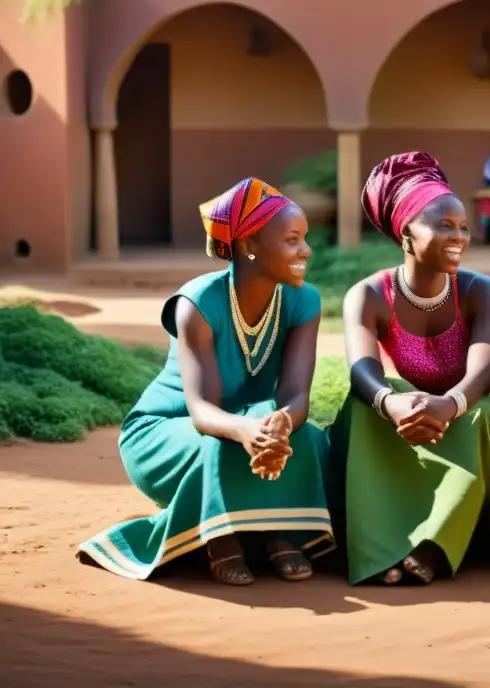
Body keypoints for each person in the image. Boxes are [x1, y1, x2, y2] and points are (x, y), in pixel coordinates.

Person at [78, 178, 334, 585]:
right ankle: (224, 539)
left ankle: (278, 534)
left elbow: (295, 394)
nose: (306, 250)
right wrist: (247, 429)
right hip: (170, 432)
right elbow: (201, 412)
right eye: (291, 240)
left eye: (304, 239)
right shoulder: (196, 303)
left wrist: (283, 422)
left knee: (312, 439)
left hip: (249, 422)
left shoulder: (305, 301)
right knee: (220, 444)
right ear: (249, 245)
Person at [331, 151, 490, 586]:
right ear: (406, 235)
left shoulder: (482, 291)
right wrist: (391, 403)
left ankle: (435, 547)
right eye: (443, 226)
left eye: (463, 227)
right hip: (397, 425)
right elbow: (362, 370)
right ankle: (379, 551)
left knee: (481, 414)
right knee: (361, 407)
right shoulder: (367, 295)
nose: (459, 237)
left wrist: (448, 406)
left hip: (460, 417)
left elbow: (482, 375)